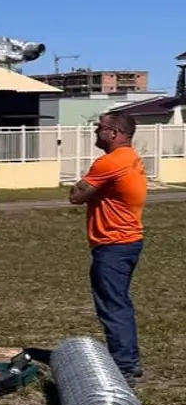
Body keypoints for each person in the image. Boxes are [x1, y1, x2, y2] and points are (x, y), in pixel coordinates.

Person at [68, 111, 147, 385]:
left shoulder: (109, 162)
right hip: (129, 240)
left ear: (114, 133)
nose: (95, 132)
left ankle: (124, 366)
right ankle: (130, 361)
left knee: (112, 306)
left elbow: (76, 196)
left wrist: (91, 189)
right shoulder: (131, 158)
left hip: (113, 243)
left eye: (99, 128)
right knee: (120, 303)